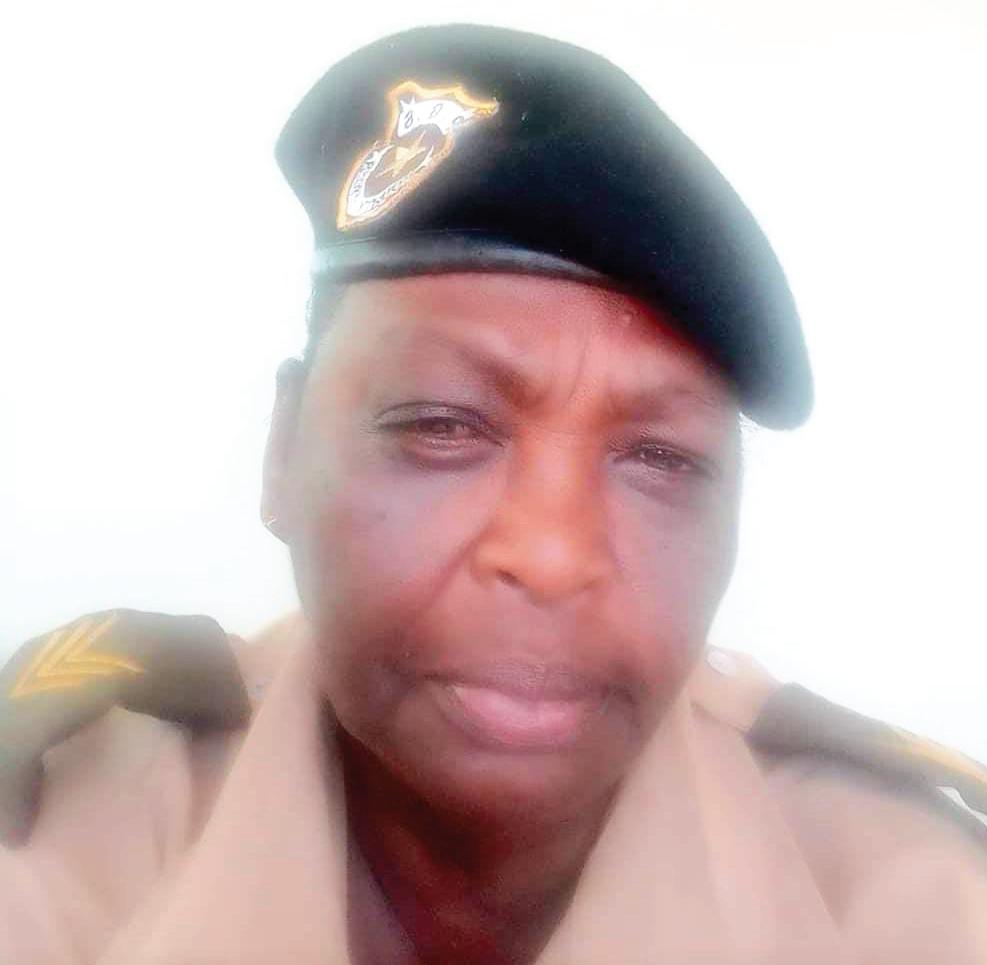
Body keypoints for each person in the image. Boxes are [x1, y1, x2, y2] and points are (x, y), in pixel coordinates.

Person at [2, 22, 986, 965]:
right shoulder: (59, 842)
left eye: (660, 456)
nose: (552, 554)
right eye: (442, 425)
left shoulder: (920, 901)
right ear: (283, 451)